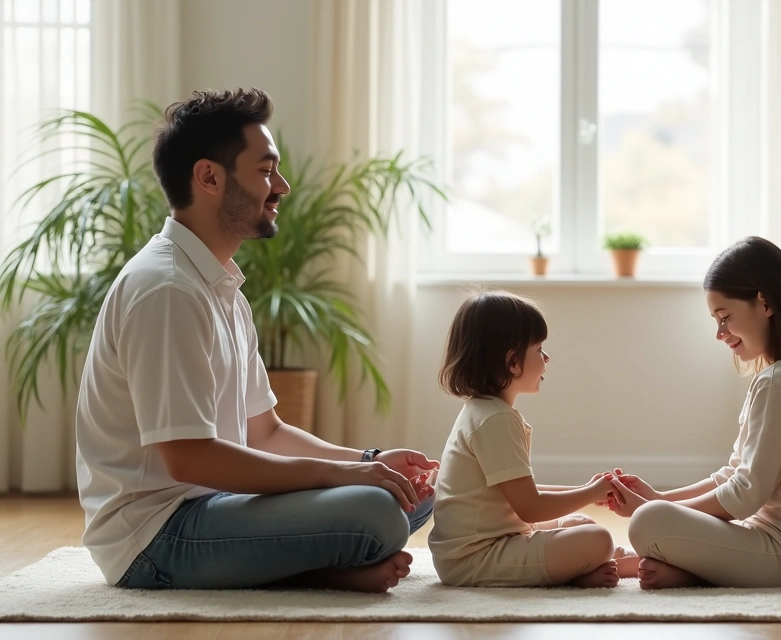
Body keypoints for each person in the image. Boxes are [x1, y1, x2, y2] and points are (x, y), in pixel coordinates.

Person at [75, 88, 439, 592]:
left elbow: (265, 432)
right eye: (266, 170)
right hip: (156, 536)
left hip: (215, 507)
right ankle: (322, 570)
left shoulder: (219, 285)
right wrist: (343, 479)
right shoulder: (166, 290)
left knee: (414, 492)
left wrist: (367, 463)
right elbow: (191, 459)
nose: (282, 186)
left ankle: (321, 566)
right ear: (209, 177)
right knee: (375, 512)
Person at [605, 236, 781, 590]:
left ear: (764, 302)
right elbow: (733, 474)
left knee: (648, 522)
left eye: (724, 317)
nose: (720, 334)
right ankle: (685, 568)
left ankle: (687, 570)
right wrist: (657, 498)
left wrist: (653, 508)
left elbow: (744, 496)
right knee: (653, 513)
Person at [428, 291, 638, 588]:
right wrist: (590, 494)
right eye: (539, 348)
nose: (547, 357)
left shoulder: (485, 411)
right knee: (597, 538)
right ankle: (589, 568)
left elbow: (519, 494)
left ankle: (591, 565)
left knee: (581, 524)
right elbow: (531, 507)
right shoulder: (495, 420)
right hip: (475, 559)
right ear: (513, 362)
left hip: (492, 542)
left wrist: (587, 490)